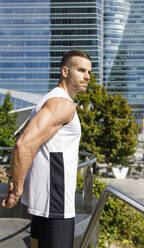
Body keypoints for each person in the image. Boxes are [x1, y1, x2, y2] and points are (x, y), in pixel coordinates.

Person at [1, 50, 92, 248]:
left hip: (47, 203)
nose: (87, 76)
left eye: (89, 72)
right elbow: (23, 144)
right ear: (65, 71)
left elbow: (27, 139)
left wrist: (13, 180)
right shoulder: (62, 104)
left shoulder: (49, 99)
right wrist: (16, 190)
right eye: (81, 70)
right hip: (56, 205)